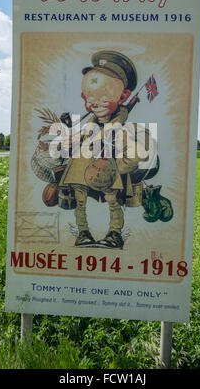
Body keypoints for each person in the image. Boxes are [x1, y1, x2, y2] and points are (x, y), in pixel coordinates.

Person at [59, 50, 154, 249]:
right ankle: (83, 232)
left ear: (124, 96)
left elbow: (136, 155)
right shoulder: (87, 127)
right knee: (80, 200)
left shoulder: (125, 130)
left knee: (113, 202)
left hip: (107, 174)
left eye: (103, 98)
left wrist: (113, 166)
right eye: (90, 97)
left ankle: (114, 234)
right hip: (80, 173)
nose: (94, 104)